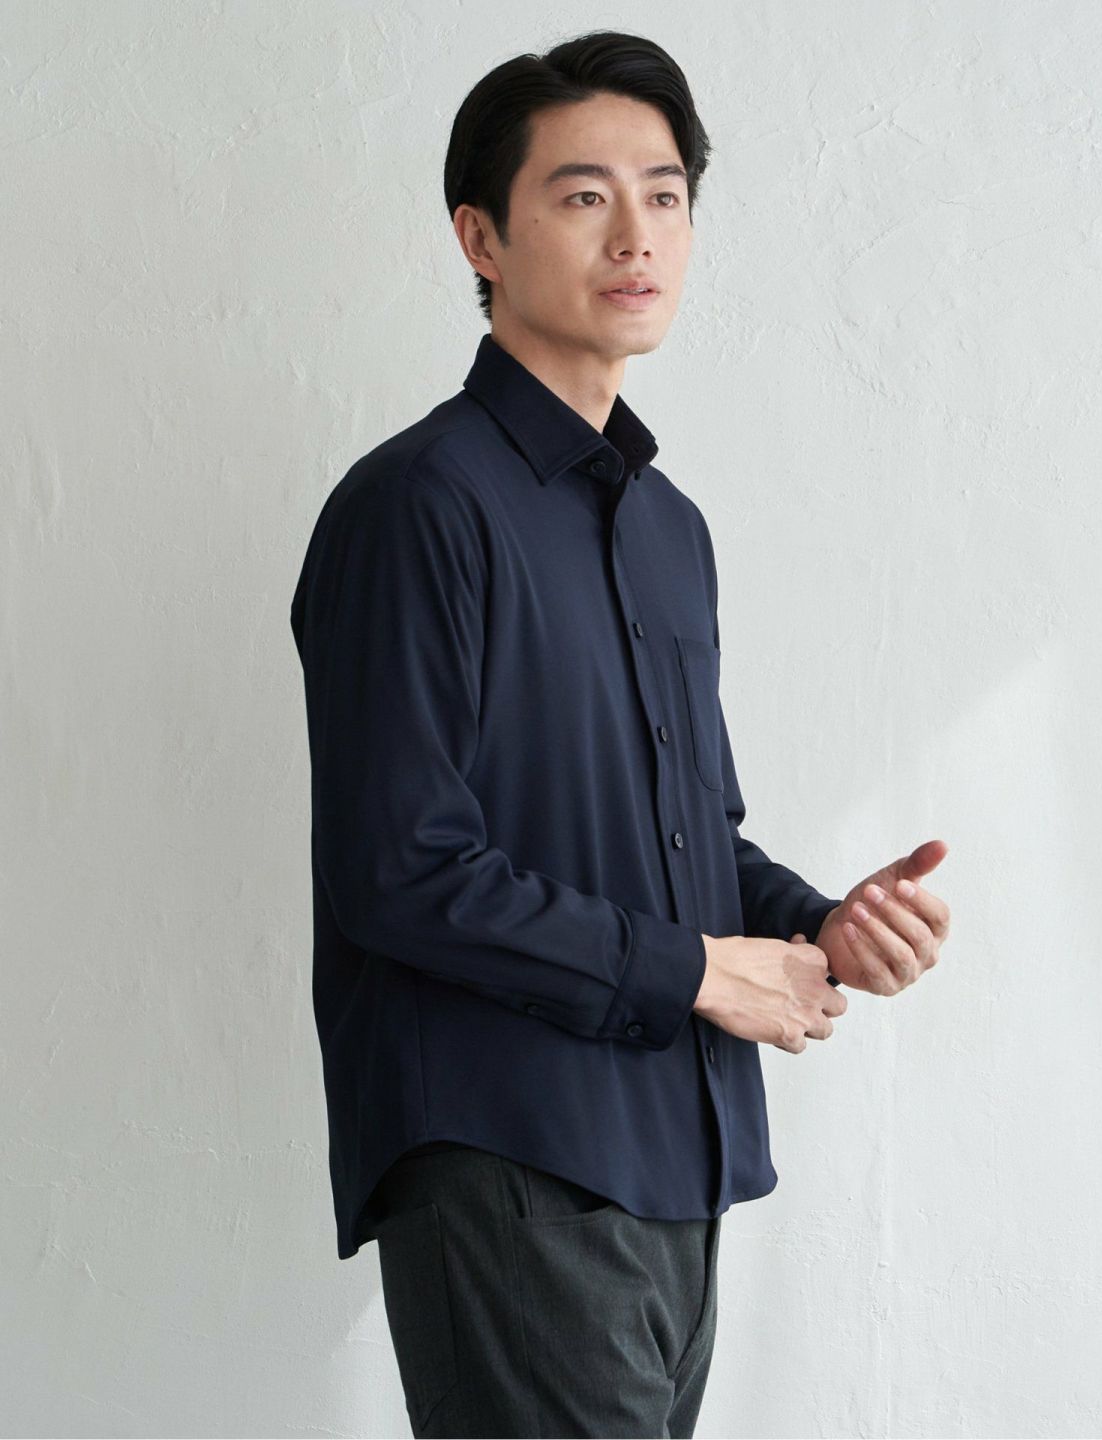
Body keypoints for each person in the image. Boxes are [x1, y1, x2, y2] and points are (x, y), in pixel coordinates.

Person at [289, 28, 950, 1439]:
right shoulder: (416, 507)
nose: (636, 234)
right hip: (508, 1155)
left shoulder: (668, 531)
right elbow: (400, 870)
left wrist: (821, 924)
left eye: (665, 194)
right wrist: (702, 972)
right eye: (584, 195)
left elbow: (689, 838)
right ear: (480, 235)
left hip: (676, 1166)